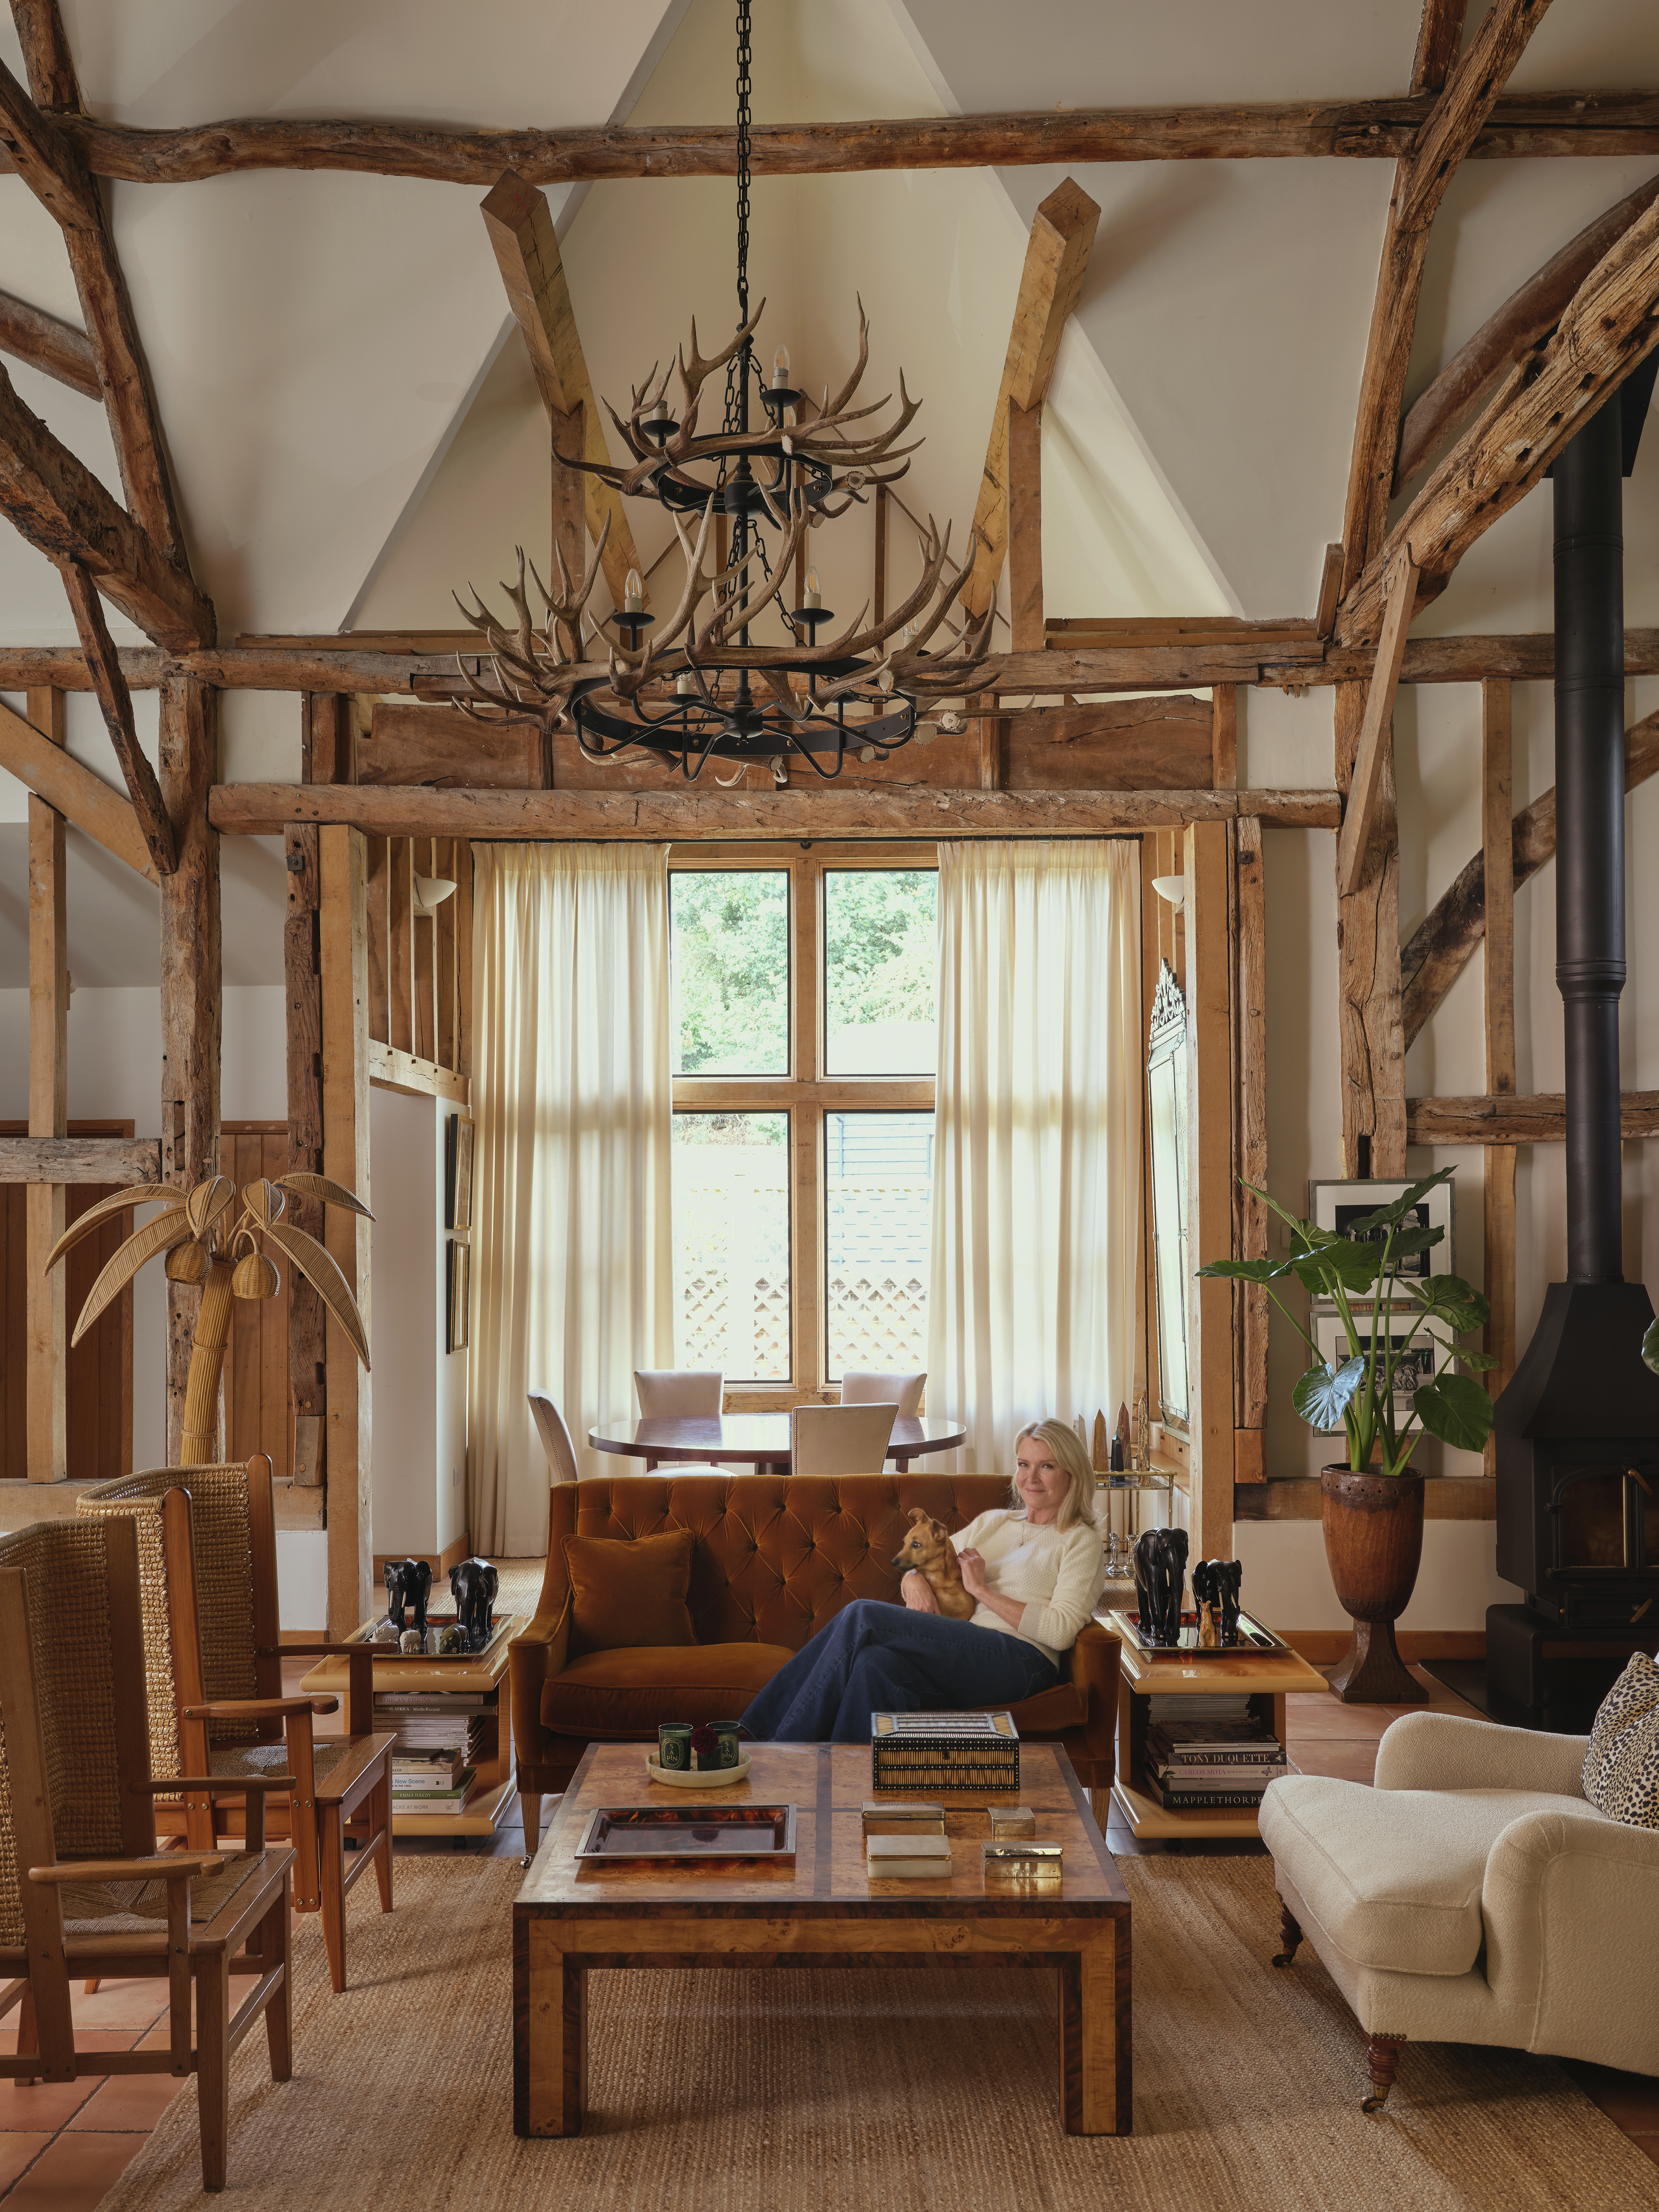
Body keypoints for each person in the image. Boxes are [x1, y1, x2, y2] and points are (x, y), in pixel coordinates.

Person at [739, 1420, 1106, 1743]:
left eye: (1047, 1467)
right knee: (873, 1664)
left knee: (862, 1616)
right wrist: (913, 1576)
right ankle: (842, 1788)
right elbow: (929, 1559)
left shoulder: (1080, 1540)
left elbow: (1060, 1631)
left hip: (1023, 1664)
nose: (1030, 1478)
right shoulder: (995, 1523)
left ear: (1071, 1473)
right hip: (969, 1654)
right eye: (1024, 1465)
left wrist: (981, 1590)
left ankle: (763, 1741)